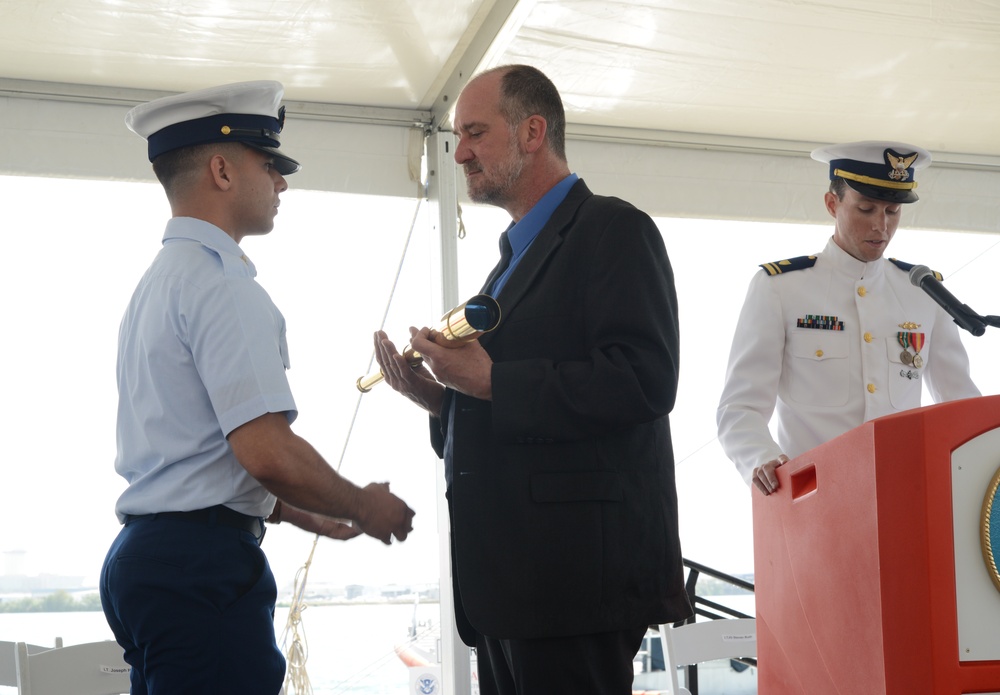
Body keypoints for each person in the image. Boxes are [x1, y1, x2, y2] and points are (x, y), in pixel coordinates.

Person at [371, 65, 691, 695]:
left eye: (475, 133)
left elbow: (647, 379)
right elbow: (509, 402)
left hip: (573, 587)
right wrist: (442, 399)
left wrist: (490, 383)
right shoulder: (510, 262)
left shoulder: (613, 230)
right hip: (509, 586)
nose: (459, 152)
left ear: (533, 132)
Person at [99, 80, 416, 695]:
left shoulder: (159, 283)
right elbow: (264, 451)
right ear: (221, 169)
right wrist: (359, 504)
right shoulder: (222, 287)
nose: (282, 183)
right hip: (199, 569)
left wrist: (301, 512)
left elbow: (195, 457)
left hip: (148, 560)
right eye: (270, 165)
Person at [717, 140, 981, 496]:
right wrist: (762, 458)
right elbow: (740, 407)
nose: (881, 226)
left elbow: (961, 402)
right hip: (813, 497)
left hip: (904, 492)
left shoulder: (923, 291)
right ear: (832, 204)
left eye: (892, 211)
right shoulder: (780, 287)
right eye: (867, 208)